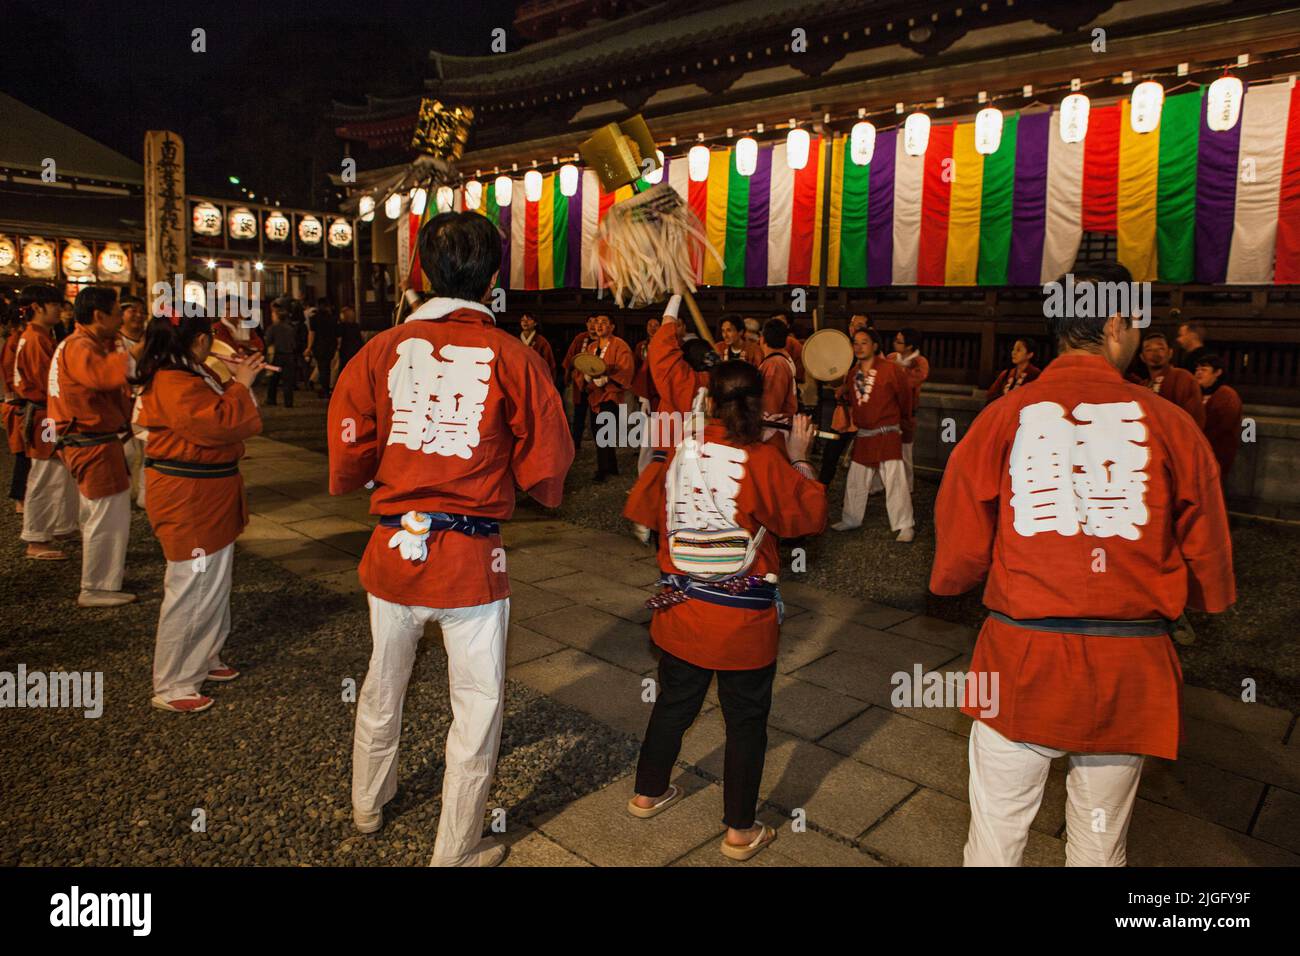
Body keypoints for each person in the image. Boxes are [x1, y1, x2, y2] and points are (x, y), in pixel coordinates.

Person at [930, 260, 1235, 867]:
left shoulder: (1004, 417)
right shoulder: (1170, 424)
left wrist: (958, 580)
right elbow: (1209, 566)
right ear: (1116, 323)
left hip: (1021, 657)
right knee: (1099, 845)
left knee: (995, 836)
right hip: (1130, 666)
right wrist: (1191, 594)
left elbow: (958, 560)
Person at [328, 211, 573, 867]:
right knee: (476, 707)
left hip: (391, 551)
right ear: (493, 278)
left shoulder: (380, 349)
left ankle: (367, 802)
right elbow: (548, 460)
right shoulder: (514, 357)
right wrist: (515, 477)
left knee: (384, 683)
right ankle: (455, 849)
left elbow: (349, 440)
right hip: (470, 557)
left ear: (423, 274)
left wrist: (368, 470)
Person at [623, 362, 827, 862]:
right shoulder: (763, 457)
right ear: (758, 404)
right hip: (742, 621)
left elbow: (643, 510)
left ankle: (647, 793)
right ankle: (739, 829)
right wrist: (800, 460)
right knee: (745, 720)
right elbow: (805, 518)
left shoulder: (679, 453)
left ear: (709, 400)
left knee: (675, 703)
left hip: (683, 610)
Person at [132, 312, 266, 713]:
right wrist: (241, 385)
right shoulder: (175, 380)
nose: (214, 341)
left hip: (206, 490)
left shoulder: (188, 372)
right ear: (197, 341)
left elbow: (224, 407)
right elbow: (218, 424)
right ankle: (173, 681)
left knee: (212, 583)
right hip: (190, 494)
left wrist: (234, 379)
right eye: (210, 334)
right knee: (192, 586)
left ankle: (205, 655)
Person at [47, 287, 140, 607]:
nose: (121, 319)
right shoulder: (81, 346)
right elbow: (103, 377)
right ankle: (96, 586)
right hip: (91, 441)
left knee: (99, 512)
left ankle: (104, 574)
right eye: (117, 312)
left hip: (85, 439)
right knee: (107, 514)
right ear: (99, 315)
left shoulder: (74, 343)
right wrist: (135, 355)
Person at [13, 285, 80, 560]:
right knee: (46, 472)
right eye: (55, 305)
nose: (60, 310)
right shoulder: (37, 340)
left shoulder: (37, 336)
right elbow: (48, 384)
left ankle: (62, 525)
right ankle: (36, 537)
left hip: (45, 412)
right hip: (45, 416)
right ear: (38, 307)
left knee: (59, 471)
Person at [831, 327, 915, 542]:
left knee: (895, 480)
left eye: (864, 342)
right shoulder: (853, 374)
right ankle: (851, 518)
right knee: (856, 478)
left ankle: (905, 524)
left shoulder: (891, 370)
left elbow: (905, 398)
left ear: (875, 345)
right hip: (865, 433)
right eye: (855, 343)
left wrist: (904, 423)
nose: (858, 347)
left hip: (887, 432)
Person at [580, 314, 634, 483]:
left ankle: (603, 470)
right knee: (599, 431)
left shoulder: (620, 345)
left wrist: (609, 379)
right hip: (595, 394)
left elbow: (625, 368)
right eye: (597, 322)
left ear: (612, 327)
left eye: (604, 322)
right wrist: (586, 377)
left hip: (611, 394)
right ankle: (612, 466)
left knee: (604, 431)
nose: (599, 325)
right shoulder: (592, 347)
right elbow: (583, 366)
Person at [1132, 332, 1205, 429]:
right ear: (1142, 357)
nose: (1155, 353)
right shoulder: (1142, 386)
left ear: (1170, 353)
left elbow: (1195, 419)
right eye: (1149, 350)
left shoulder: (1183, 378)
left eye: (1161, 348)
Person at [1194, 353, 1243, 490]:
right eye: (1197, 369)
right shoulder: (1197, 393)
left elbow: (1221, 428)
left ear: (1218, 372)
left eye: (1204, 369)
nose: (1198, 373)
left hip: (1216, 453)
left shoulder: (1227, 395)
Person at [888, 327, 928, 492]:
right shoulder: (891, 358)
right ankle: (881, 485)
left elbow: (909, 383)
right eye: (896, 340)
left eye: (899, 341)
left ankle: (906, 487)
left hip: (906, 414)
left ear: (909, 346)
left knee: (905, 453)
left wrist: (898, 370)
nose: (895, 343)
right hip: (887, 411)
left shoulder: (920, 362)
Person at [118, 294, 149, 508]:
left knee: (150, 449)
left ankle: (146, 496)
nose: (138, 315)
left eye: (142, 311)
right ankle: (123, 493)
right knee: (126, 452)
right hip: (122, 404)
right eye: (133, 311)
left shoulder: (150, 338)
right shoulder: (114, 339)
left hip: (147, 401)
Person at [2, 305, 31, 514]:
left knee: (28, 453)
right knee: (25, 453)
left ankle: (22, 497)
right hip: (20, 405)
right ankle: (20, 497)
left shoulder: (20, 340)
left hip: (21, 404)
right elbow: (13, 376)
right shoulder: (17, 341)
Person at [757, 317, 797, 454]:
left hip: (773, 430)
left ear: (762, 339)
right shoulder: (782, 359)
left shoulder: (775, 364)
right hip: (780, 427)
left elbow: (770, 407)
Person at [630, 316, 661, 474]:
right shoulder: (641, 346)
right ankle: (644, 473)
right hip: (648, 393)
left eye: (656, 325)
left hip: (662, 395)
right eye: (650, 325)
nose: (653, 328)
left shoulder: (665, 346)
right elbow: (637, 367)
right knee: (647, 436)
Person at [561, 317, 596, 450]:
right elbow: (570, 357)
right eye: (590, 322)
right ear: (586, 324)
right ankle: (575, 444)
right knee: (579, 415)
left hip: (597, 385)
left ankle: (598, 445)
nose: (593, 325)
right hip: (580, 382)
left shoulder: (603, 340)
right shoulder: (580, 338)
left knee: (595, 416)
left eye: (595, 322)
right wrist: (567, 375)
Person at [985, 337, 1042, 405]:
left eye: (1018, 350)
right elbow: (990, 395)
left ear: (1030, 355)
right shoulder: (1006, 374)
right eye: (1013, 349)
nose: (1013, 353)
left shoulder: (1036, 374)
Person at [263, 299, 299, 406]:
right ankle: (288, 402)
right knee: (288, 381)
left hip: (277, 356)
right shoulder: (290, 328)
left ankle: (271, 399)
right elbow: (294, 343)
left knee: (273, 379)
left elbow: (267, 341)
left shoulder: (273, 328)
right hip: (289, 356)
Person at [306, 298, 339, 397]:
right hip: (330, 346)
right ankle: (327, 388)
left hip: (319, 346)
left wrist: (309, 347)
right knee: (327, 367)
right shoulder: (332, 318)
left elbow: (312, 333)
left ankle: (324, 388)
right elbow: (336, 333)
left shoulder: (314, 318)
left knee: (321, 367)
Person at [518, 312, 556, 381]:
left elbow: (549, 363)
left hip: (537, 376)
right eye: (523, 320)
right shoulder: (516, 340)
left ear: (535, 323)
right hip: (519, 374)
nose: (525, 322)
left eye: (529, 319)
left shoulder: (542, 342)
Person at [338, 304, 364, 371]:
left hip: (345, 349)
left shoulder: (342, 326)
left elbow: (340, 339)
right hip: (355, 349)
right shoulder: (356, 326)